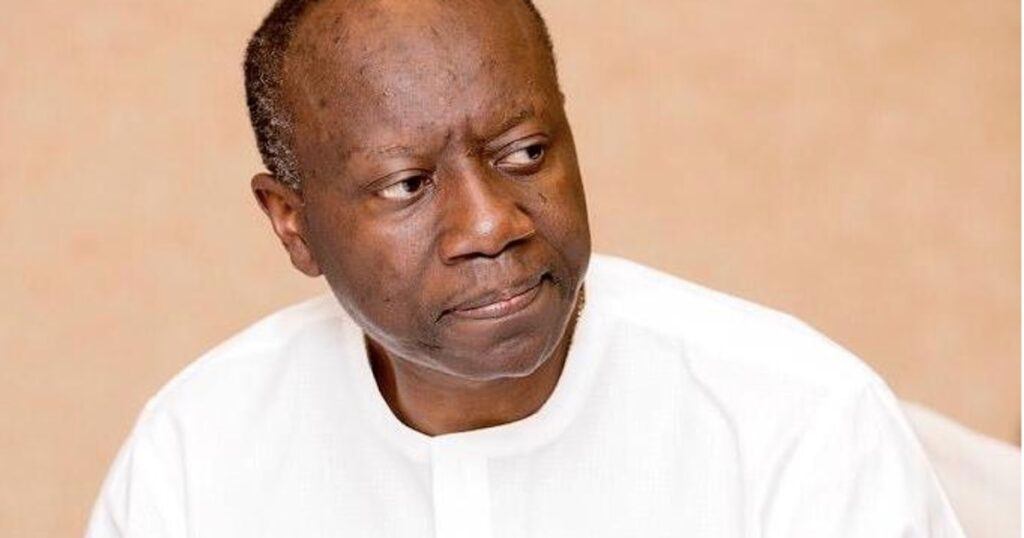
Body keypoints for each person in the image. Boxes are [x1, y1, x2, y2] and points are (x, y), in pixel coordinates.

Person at [86, 0, 966, 536]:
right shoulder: (198, 450)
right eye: (407, 184)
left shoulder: (799, 420)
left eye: (525, 151)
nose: (490, 223)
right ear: (293, 223)